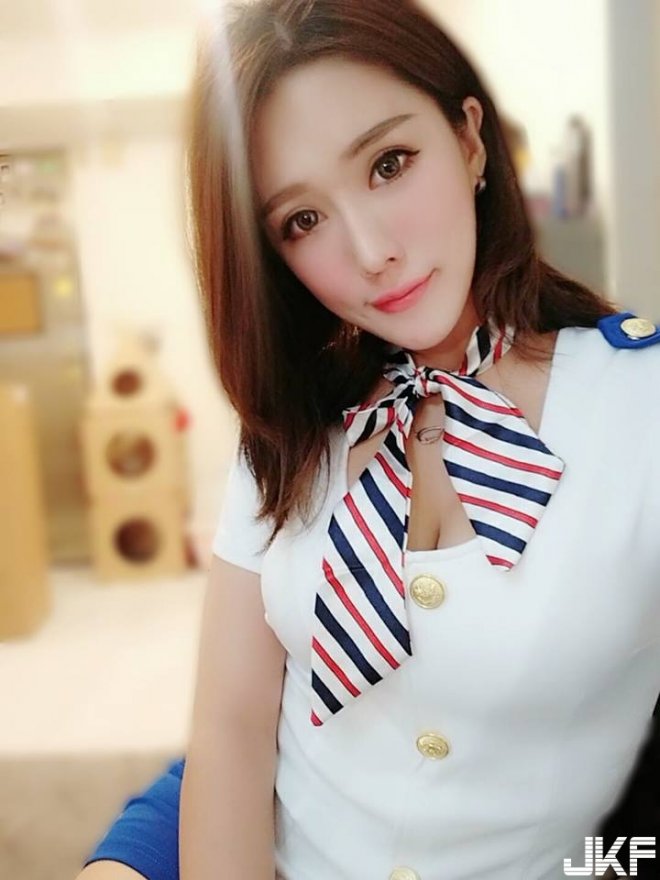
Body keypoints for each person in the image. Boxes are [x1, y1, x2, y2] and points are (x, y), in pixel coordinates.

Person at [76, 1, 660, 878]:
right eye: (302, 220)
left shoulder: (640, 403)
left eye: (389, 164)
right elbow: (236, 727)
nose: (371, 251)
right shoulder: (286, 425)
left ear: (470, 139)